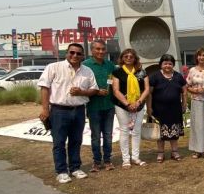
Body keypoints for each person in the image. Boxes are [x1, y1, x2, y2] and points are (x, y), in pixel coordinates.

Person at [38, 43, 99, 184]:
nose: (75, 56)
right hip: (59, 111)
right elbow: (44, 88)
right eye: (72, 52)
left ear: (83, 56)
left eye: (78, 53)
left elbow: (93, 90)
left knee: (76, 141)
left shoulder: (87, 71)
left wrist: (81, 92)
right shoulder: (53, 67)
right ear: (67, 53)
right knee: (59, 143)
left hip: (78, 110)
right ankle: (61, 171)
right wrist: (45, 109)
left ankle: (75, 168)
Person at [112, 48, 150, 168]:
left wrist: (138, 102)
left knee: (136, 131)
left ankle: (135, 157)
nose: (128, 58)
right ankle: (126, 159)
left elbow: (147, 89)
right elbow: (115, 90)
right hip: (122, 106)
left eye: (131, 56)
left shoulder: (141, 72)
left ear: (135, 58)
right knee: (124, 130)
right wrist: (127, 104)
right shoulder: (117, 72)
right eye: (126, 56)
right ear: (122, 58)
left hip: (138, 106)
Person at [84, 39, 117, 172]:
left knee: (108, 135)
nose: (100, 51)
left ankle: (108, 160)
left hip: (109, 106)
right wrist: (96, 91)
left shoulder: (110, 65)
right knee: (96, 136)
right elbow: (82, 85)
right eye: (97, 49)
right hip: (94, 107)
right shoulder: (85, 65)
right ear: (92, 50)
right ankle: (97, 162)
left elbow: (114, 79)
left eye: (103, 49)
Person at [147, 54, 187, 163]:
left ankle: (174, 151)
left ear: (173, 65)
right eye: (165, 63)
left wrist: (184, 104)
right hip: (159, 109)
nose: (167, 65)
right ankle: (160, 153)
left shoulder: (178, 76)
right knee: (160, 133)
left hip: (175, 109)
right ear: (161, 64)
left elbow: (184, 92)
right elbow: (149, 93)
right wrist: (149, 107)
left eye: (170, 63)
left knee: (174, 131)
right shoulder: (154, 76)